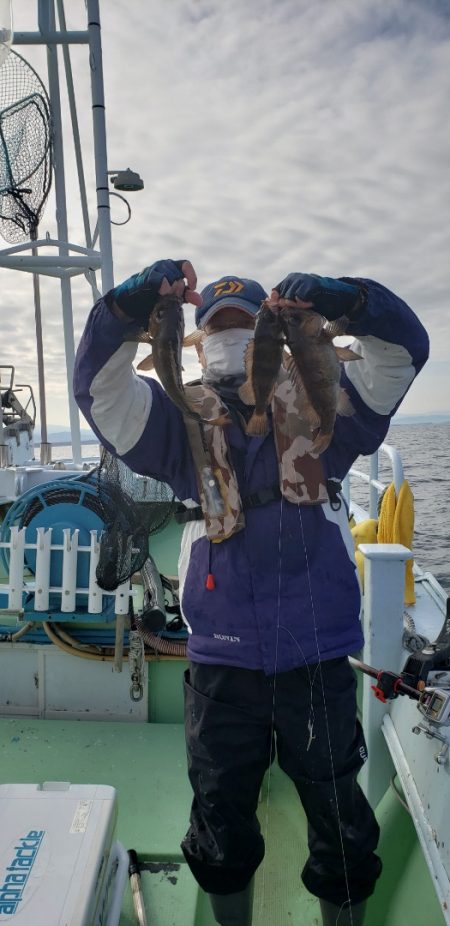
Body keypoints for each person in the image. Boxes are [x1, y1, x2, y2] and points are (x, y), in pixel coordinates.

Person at [74, 260, 429, 926]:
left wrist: (351, 303)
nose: (234, 338)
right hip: (222, 665)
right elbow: (98, 389)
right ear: (200, 341)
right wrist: (125, 311)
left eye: (248, 324)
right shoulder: (177, 423)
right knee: (220, 818)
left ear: (277, 331)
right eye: (219, 326)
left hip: (316, 656)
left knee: (337, 817)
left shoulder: (327, 407)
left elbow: (404, 353)